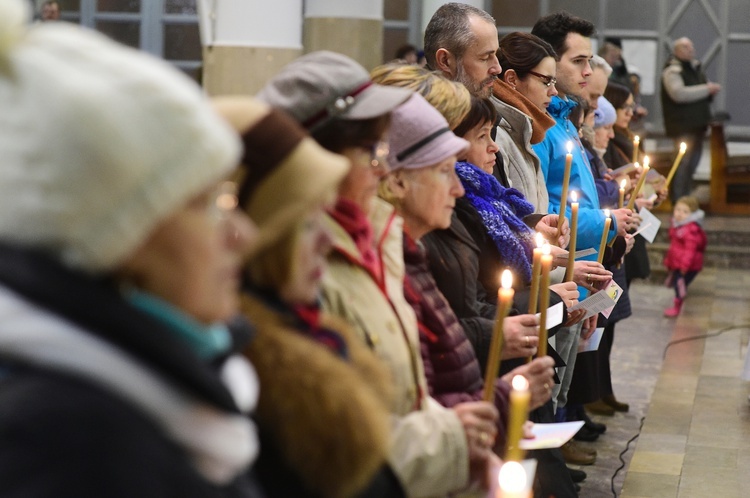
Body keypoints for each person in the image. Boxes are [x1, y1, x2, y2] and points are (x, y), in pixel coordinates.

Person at [0, 8, 262, 496]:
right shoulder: (68, 448)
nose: (244, 235)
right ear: (116, 240)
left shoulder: (155, 394)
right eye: (207, 204)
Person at [258, 51, 499, 497]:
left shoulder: (381, 238)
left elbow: (409, 383)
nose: (382, 168)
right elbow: (334, 442)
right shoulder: (303, 262)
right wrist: (452, 435)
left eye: (383, 150)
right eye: (370, 151)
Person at [212, 96, 404, 498]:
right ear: (263, 234)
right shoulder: (249, 378)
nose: (324, 241)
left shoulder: (312, 331)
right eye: (304, 224)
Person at [492, 31, 558, 212]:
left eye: (554, 81)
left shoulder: (523, 131)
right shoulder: (495, 134)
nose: (554, 91)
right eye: (546, 81)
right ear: (512, 79)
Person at [661, 36, 721, 202]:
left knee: (692, 165)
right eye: (687, 47)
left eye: (691, 47)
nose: (691, 50)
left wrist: (708, 90)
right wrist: (706, 89)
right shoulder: (673, 71)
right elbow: (679, 94)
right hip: (682, 126)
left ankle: (687, 199)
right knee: (682, 164)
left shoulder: (695, 68)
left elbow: (702, 87)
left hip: (697, 125)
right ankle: (678, 200)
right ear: (677, 50)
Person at [423, 2, 501, 99]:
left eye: (496, 54)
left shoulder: (497, 101)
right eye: (485, 58)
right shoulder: (417, 112)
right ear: (445, 61)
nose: (498, 69)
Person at [663, 196, 707, 317]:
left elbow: (690, 251)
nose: (680, 214)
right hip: (678, 262)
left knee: (679, 285)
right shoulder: (678, 226)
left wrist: (684, 266)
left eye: (685, 211)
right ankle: (679, 301)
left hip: (687, 265)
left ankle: (677, 306)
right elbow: (674, 247)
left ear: (692, 214)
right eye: (678, 210)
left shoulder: (690, 230)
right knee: (679, 284)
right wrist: (669, 261)